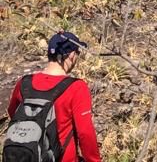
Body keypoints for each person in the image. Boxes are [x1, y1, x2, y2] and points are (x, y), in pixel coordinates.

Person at [4, 31, 101, 162]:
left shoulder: (24, 83)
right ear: (71, 55)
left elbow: (13, 113)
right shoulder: (77, 87)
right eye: (78, 53)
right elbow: (85, 133)